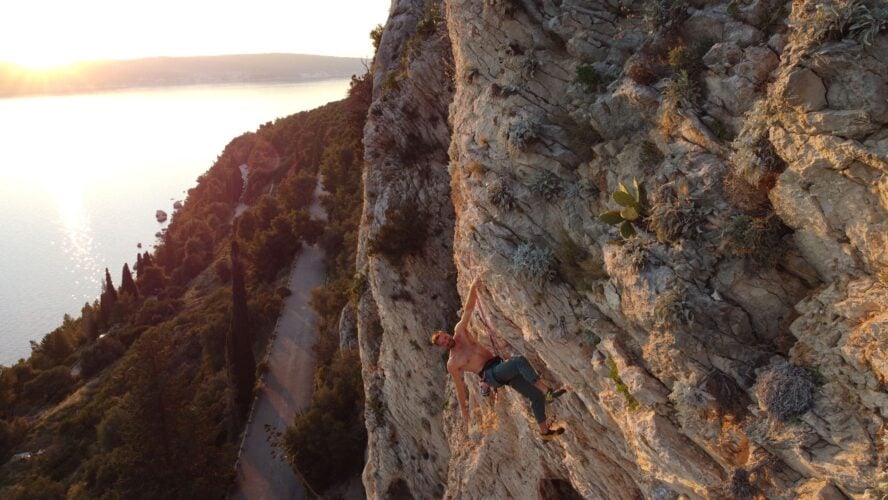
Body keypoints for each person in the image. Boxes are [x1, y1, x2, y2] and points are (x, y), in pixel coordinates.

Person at [431, 277, 565, 440]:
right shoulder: (452, 363)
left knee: (535, 396)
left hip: (499, 367)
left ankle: (545, 433)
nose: (446, 341)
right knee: (518, 361)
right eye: (443, 342)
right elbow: (459, 389)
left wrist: (473, 286)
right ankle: (548, 392)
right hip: (490, 375)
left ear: (446, 334)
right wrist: (465, 412)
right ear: (442, 347)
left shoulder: (460, 332)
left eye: (444, 337)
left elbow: (468, 308)